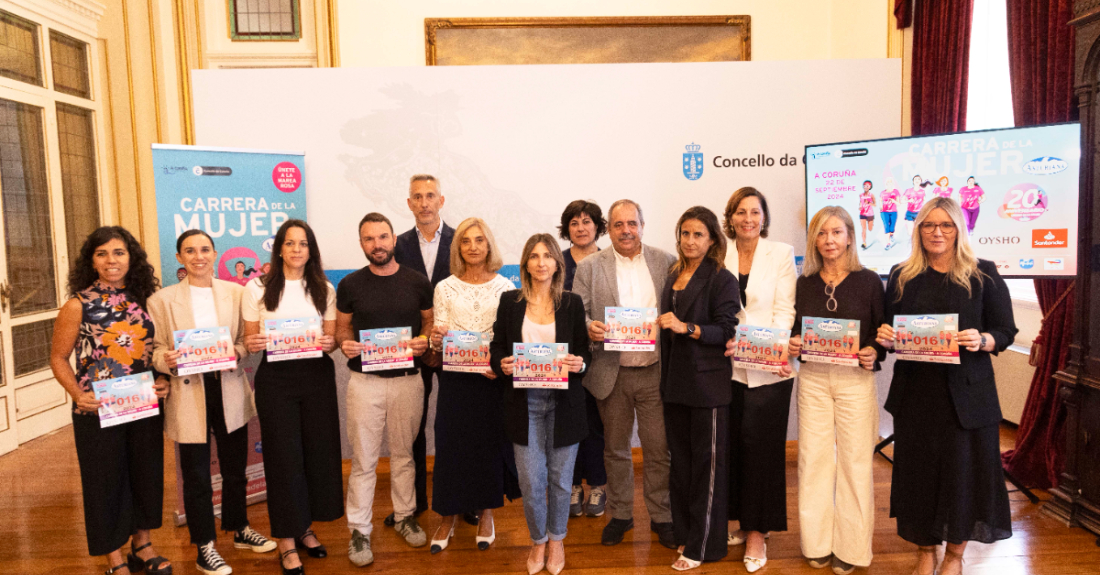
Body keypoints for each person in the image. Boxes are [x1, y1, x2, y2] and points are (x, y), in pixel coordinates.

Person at [875, 197, 1017, 575]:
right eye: (928, 225)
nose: (936, 232)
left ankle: (954, 555)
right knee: (919, 476)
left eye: (946, 225)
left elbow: (1005, 331)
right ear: (918, 230)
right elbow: (888, 331)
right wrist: (885, 336)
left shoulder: (982, 274)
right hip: (917, 396)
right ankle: (926, 550)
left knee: (964, 477)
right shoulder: (901, 274)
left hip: (967, 398)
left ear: (959, 230)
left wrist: (982, 340)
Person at [148, 230, 276, 575]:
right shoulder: (161, 300)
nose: (198, 256)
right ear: (179, 258)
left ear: (215, 253)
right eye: (190, 251)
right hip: (189, 393)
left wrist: (233, 352)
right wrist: (166, 361)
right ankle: (204, 545)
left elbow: (246, 340)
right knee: (197, 475)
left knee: (235, 469)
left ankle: (238, 527)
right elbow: (155, 349)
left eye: (204, 249)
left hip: (228, 385)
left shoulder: (236, 293)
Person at [48, 226, 171, 575]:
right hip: (97, 409)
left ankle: (142, 545)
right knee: (105, 481)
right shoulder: (77, 304)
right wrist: (77, 394)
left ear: (131, 258)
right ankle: (114, 557)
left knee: (144, 475)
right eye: (102, 254)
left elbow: (158, 350)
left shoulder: (147, 300)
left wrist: (163, 380)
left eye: (118, 252)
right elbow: (58, 357)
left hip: (143, 404)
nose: (111, 260)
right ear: (92, 261)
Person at [572, 199, 677, 549]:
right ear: (609, 229)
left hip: (654, 373)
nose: (626, 230)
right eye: (618, 225)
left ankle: (661, 516)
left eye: (632, 223)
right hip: (611, 372)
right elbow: (578, 313)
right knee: (615, 450)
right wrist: (589, 327)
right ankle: (621, 515)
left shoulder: (666, 262)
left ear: (643, 226)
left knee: (658, 449)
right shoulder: (589, 267)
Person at [787, 207, 886, 575]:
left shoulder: (870, 281)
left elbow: (883, 330)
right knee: (812, 461)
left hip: (854, 381)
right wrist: (794, 343)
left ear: (849, 237)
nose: (829, 240)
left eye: (836, 232)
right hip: (812, 379)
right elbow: (797, 327)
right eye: (822, 233)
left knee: (855, 463)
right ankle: (815, 543)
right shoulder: (805, 282)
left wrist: (874, 348)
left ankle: (852, 548)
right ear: (814, 239)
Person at [242, 219, 343, 575]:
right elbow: (250, 340)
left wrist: (330, 343)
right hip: (276, 380)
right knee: (284, 458)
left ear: (310, 250)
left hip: (316, 376)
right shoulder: (256, 288)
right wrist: (252, 344)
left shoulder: (325, 289)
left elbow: (330, 341)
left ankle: (304, 528)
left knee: (316, 453)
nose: (297, 249)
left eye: (303, 243)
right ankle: (286, 540)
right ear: (279, 248)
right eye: (290, 243)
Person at [490, 234, 592, 575]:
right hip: (524, 402)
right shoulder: (510, 302)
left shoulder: (573, 304)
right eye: (534, 256)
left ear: (557, 264)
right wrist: (501, 363)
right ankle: (537, 541)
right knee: (531, 480)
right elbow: (497, 348)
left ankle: (557, 539)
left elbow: (585, 354)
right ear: (525, 264)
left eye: (547, 256)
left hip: (564, 403)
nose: (541, 262)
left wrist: (580, 364)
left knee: (562, 480)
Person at [337, 212, 434, 566]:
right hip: (365, 384)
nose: (377, 244)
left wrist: (423, 341)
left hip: (408, 382)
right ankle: (359, 531)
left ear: (394, 240)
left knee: (404, 454)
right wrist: (345, 344)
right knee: (363, 460)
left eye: (382, 237)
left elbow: (428, 322)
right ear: (361, 243)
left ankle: (405, 515)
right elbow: (342, 331)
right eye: (369, 239)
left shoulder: (418, 281)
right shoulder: (349, 285)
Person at [427, 217, 519, 553]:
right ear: (458, 248)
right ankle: (448, 516)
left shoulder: (507, 288)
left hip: (491, 381)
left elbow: (509, 340)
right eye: (466, 241)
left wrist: (497, 365)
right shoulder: (444, 287)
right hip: (455, 381)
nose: (473, 247)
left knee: (488, 447)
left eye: (479, 240)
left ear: (489, 245)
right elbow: (439, 341)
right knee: (451, 447)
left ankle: (487, 514)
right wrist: (436, 339)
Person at [656, 207, 740, 570]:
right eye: (685, 234)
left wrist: (686, 328)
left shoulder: (722, 278)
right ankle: (687, 534)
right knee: (682, 467)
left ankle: (704, 546)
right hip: (674, 384)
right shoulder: (674, 273)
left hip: (708, 386)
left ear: (712, 240)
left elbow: (726, 330)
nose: (690, 241)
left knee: (707, 470)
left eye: (698, 235)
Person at [721, 187, 796, 573]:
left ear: (764, 217)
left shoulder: (780, 253)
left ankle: (758, 532)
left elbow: (785, 310)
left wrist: (772, 347)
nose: (748, 218)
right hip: (727, 368)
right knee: (733, 447)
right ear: (730, 217)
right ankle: (741, 521)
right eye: (740, 212)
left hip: (770, 368)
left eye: (755, 211)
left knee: (763, 452)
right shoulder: (719, 252)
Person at [393, 173, 453, 524]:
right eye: (418, 196)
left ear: (441, 200)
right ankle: (412, 504)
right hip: (411, 350)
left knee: (454, 424)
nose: (425, 202)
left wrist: (439, 342)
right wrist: (424, 341)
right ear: (409, 203)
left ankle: (460, 499)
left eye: (431, 195)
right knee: (411, 428)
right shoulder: (397, 244)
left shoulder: (464, 240)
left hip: (455, 351)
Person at [557, 200, 610, 518]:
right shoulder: (555, 262)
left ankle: (599, 486)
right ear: (567, 228)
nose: (580, 227)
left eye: (587, 221)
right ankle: (573, 485)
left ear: (597, 226)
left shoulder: (610, 260)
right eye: (574, 222)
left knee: (597, 426)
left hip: (604, 359)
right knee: (569, 424)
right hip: (563, 361)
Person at [880, 178, 901, 250]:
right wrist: (881, 207)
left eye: (891, 183)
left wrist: (894, 201)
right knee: (886, 227)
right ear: (886, 185)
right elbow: (880, 201)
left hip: (893, 211)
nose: (889, 185)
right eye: (888, 183)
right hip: (884, 212)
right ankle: (888, 243)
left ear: (893, 184)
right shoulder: (883, 193)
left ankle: (891, 234)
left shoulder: (896, 192)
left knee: (892, 227)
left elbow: (899, 203)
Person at [858, 180, 876, 250]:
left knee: (870, 228)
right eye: (864, 186)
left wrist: (868, 203)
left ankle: (871, 224)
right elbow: (860, 202)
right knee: (863, 228)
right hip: (862, 213)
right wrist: (860, 206)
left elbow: (874, 204)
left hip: (870, 214)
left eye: (867, 186)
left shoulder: (871, 195)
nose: (865, 187)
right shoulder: (861, 195)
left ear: (870, 187)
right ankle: (864, 243)